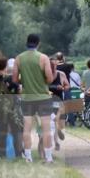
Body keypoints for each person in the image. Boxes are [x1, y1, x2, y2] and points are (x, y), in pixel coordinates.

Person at [12, 34, 55, 163]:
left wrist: (24, 80)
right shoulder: (43, 58)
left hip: (27, 98)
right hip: (43, 97)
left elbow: (14, 79)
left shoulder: (19, 58)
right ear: (38, 43)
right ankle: (48, 157)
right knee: (46, 128)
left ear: (27, 42)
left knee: (27, 128)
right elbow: (50, 78)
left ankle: (28, 157)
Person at [0, 55, 23, 159]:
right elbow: (19, 93)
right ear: (6, 66)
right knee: (16, 132)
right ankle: (18, 155)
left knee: (2, 131)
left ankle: (2, 156)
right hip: (12, 109)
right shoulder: (11, 78)